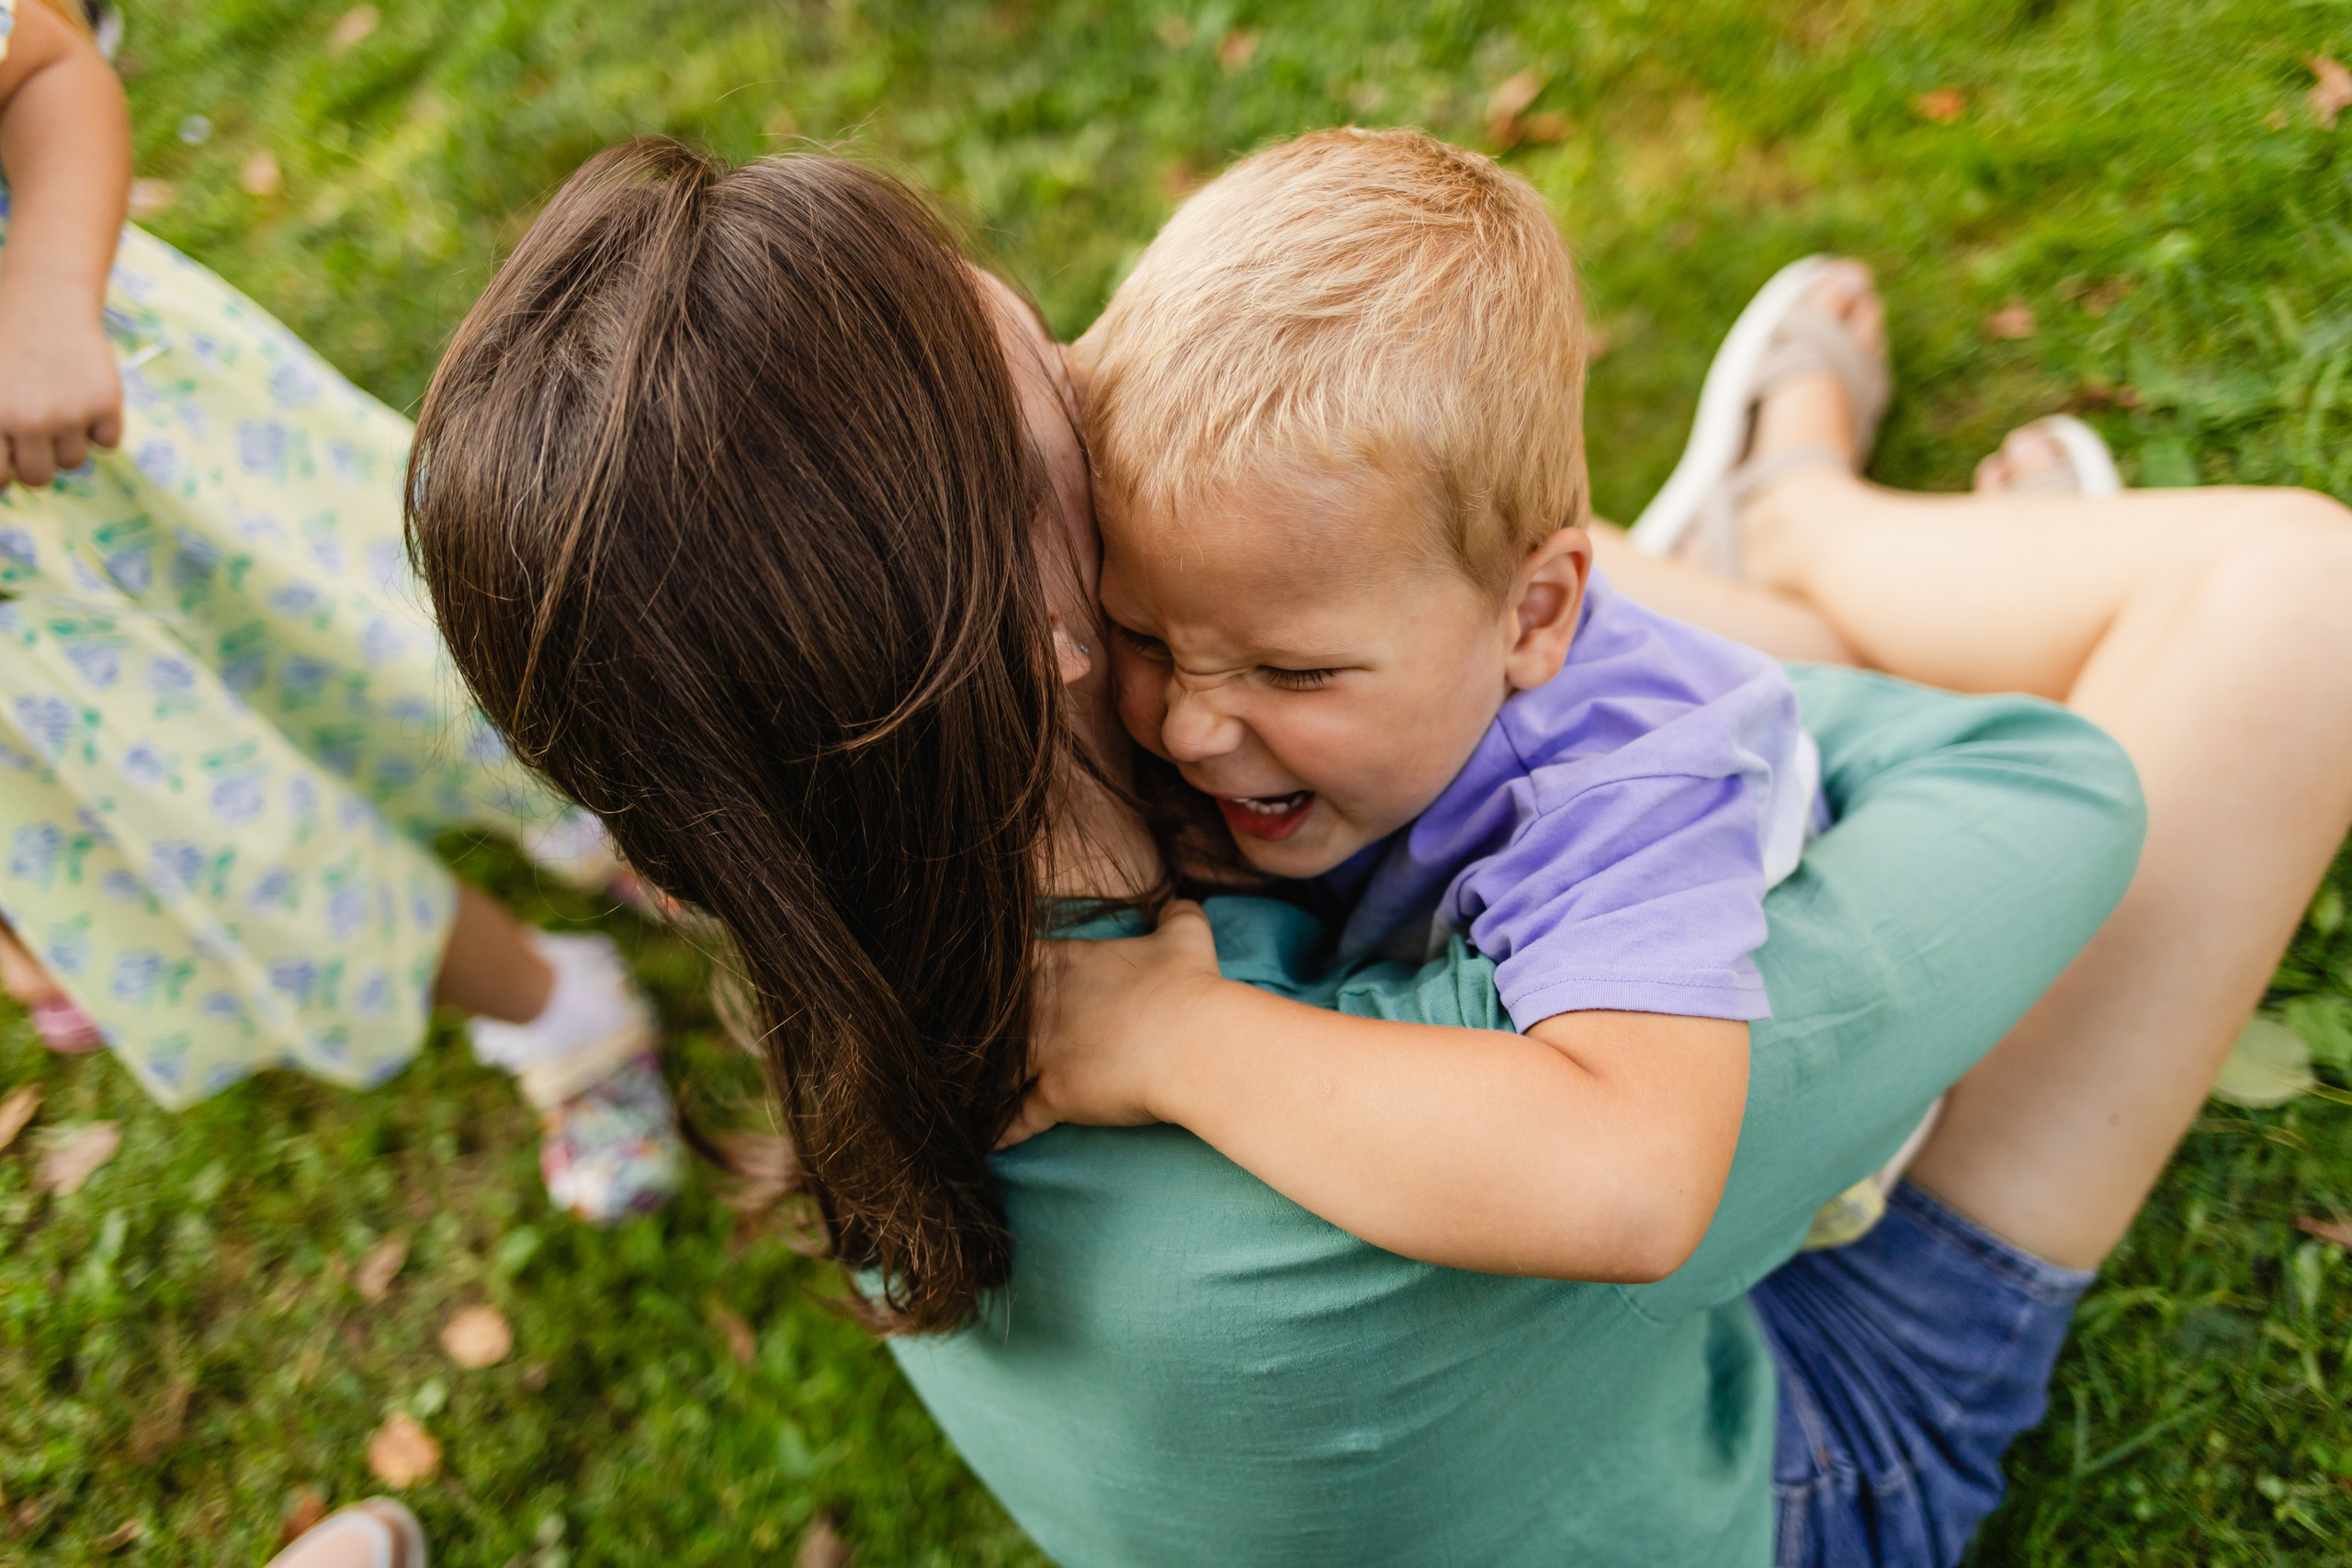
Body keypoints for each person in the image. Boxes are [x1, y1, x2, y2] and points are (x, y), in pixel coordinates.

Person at [404, 138, 2352, 1565]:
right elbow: (2035, 795)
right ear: (1037, 615)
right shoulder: (1416, 1113)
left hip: (1451, 1441)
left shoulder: (825, 899)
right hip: (1779, 1459)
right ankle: (1799, 515)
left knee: (1378, 558)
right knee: (2291, 605)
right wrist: (1558, 679)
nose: (1095, 367)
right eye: (1063, 377)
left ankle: (1656, 557)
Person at [1000, 128, 1851, 1279]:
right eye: (1142, 636)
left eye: (1292, 672)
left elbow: (1631, 1187)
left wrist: (1167, 1035)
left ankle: (1802, 490)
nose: (1188, 728)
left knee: (1826, 649)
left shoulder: (1617, 788)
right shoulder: (1340, 644)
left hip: (1840, 1158)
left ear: (1531, 618)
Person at [0, 0, 677, 1222]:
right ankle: (559, 1013)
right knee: (242, 848)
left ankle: (612, 816)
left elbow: (42, 57)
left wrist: (43, 300)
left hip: (134, 453)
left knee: (399, 645)